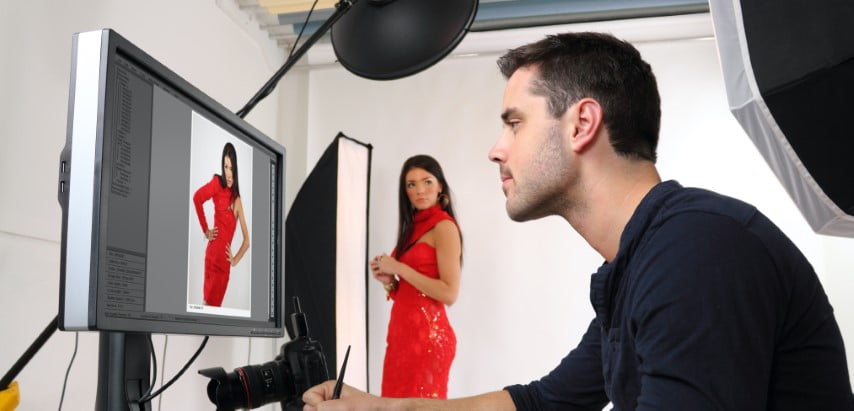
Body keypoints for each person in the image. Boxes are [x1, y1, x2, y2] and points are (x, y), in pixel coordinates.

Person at [304, 32, 853, 410]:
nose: (496, 150)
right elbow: (545, 402)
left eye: (514, 123)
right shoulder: (638, 266)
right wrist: (376, 406)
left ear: (582, 123)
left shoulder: (698, 251)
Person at [370, 154, 463, 399]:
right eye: (411, 184)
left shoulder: (444, 227)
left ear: (440, 186)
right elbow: (411, 291)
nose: (420, 190)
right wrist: (389, 282)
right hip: (402, 338)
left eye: (427, 181)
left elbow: (449, 293)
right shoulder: (411, 229)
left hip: (427, 341)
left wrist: (399, 268)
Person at [193, 142, 250, 307]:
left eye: (231, 168)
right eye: (226, 167)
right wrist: (205, 230)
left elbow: (247, 241)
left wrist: (234, 259)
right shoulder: (217, 183)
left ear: (236, 169)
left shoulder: (237, 200)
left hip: (222, 267)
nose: (228, 173)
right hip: (210, 258)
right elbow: (197, 198)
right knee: (204, 306)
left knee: (211, 310)